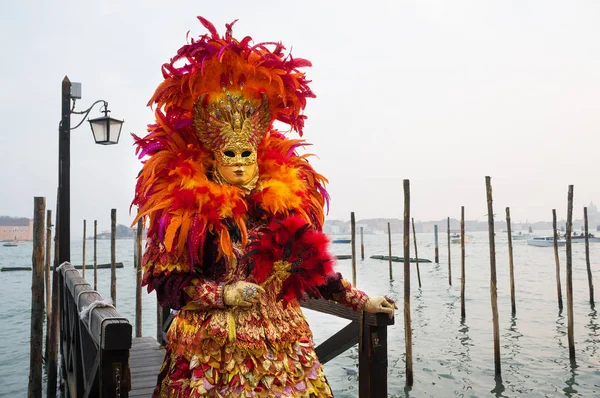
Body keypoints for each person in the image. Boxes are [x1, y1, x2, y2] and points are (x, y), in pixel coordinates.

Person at [132, 17, 397, 397]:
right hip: (212, 351)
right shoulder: (186, 215)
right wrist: (223, 294)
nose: (239, 162)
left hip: (283, 346)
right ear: (213, 158)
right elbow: (169, 285)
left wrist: (363, 301)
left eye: (246, 153)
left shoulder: (282, 205)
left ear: (258, 154)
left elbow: (316, 271)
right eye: (230, 154)